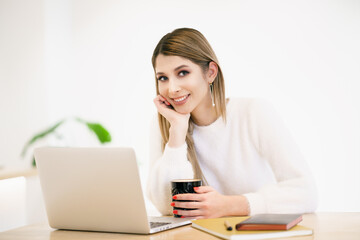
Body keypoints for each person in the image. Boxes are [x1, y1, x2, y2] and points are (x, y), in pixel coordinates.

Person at [146, 28, 317, 219]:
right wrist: (177, 136)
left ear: (210, 73)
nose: (172, 88)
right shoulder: (167, 124)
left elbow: (305, 192)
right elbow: (166, 208)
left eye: (183, 72)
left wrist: (231, 205)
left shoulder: (253, 112)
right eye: (163, 78)